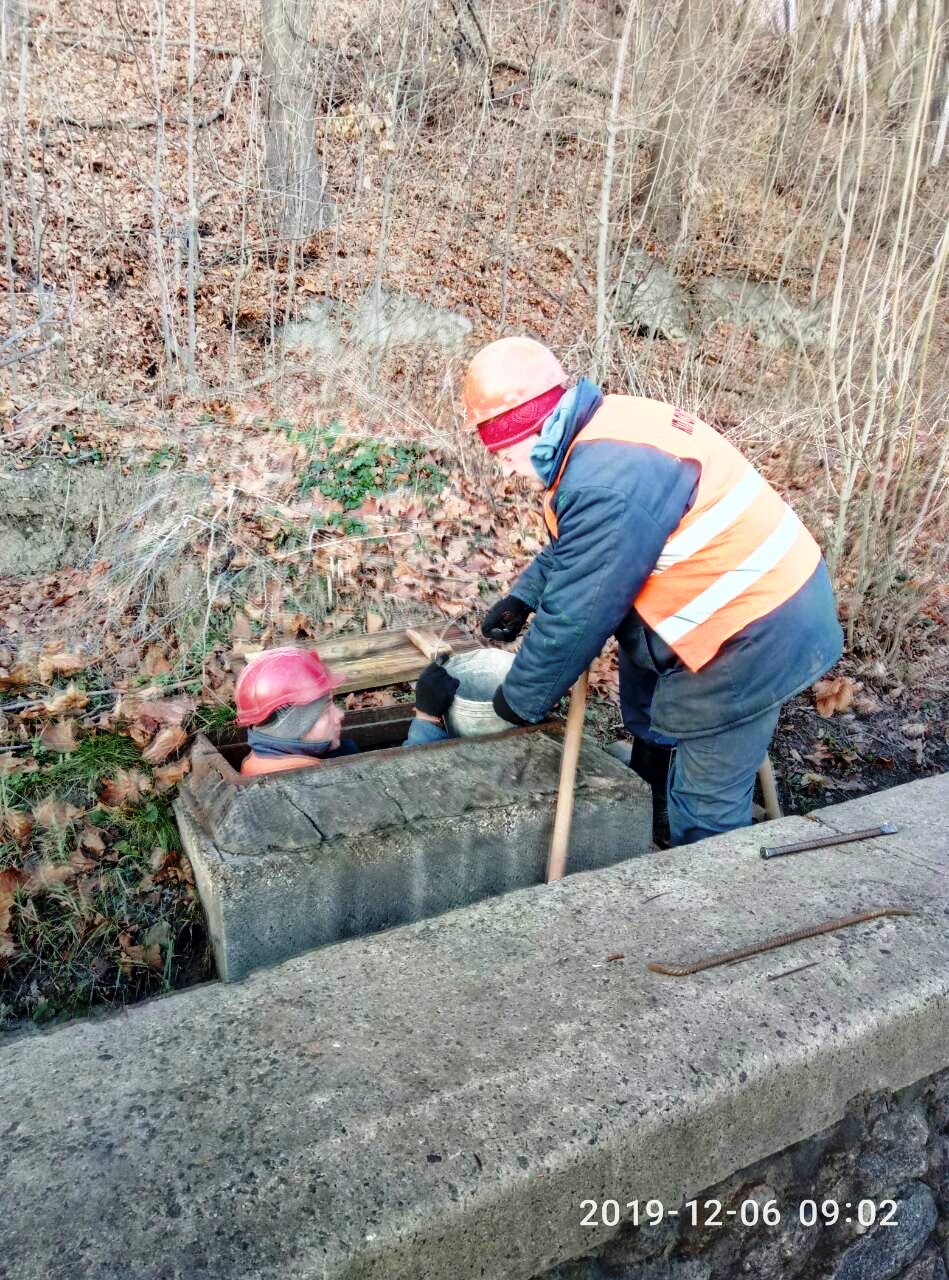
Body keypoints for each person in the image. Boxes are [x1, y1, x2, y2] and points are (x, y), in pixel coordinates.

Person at [463, 335, 843, 848]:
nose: (504, 468)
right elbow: (589, 545)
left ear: (533, 429)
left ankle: (712, 877)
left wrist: (517, 702)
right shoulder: (605, 426)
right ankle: (651, 796)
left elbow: (577, 617)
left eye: (503, 453)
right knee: (642, 676)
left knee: (706, 805)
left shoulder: (605, 481)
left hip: (757, 629)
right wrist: (525, 595)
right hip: (728, 597)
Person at [234, 646, 458, 777]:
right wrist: (427, 719)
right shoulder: (312, 784)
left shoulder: (264, 760)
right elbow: (410, 791)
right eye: (325, 711)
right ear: (292, 728)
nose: (340, 715)